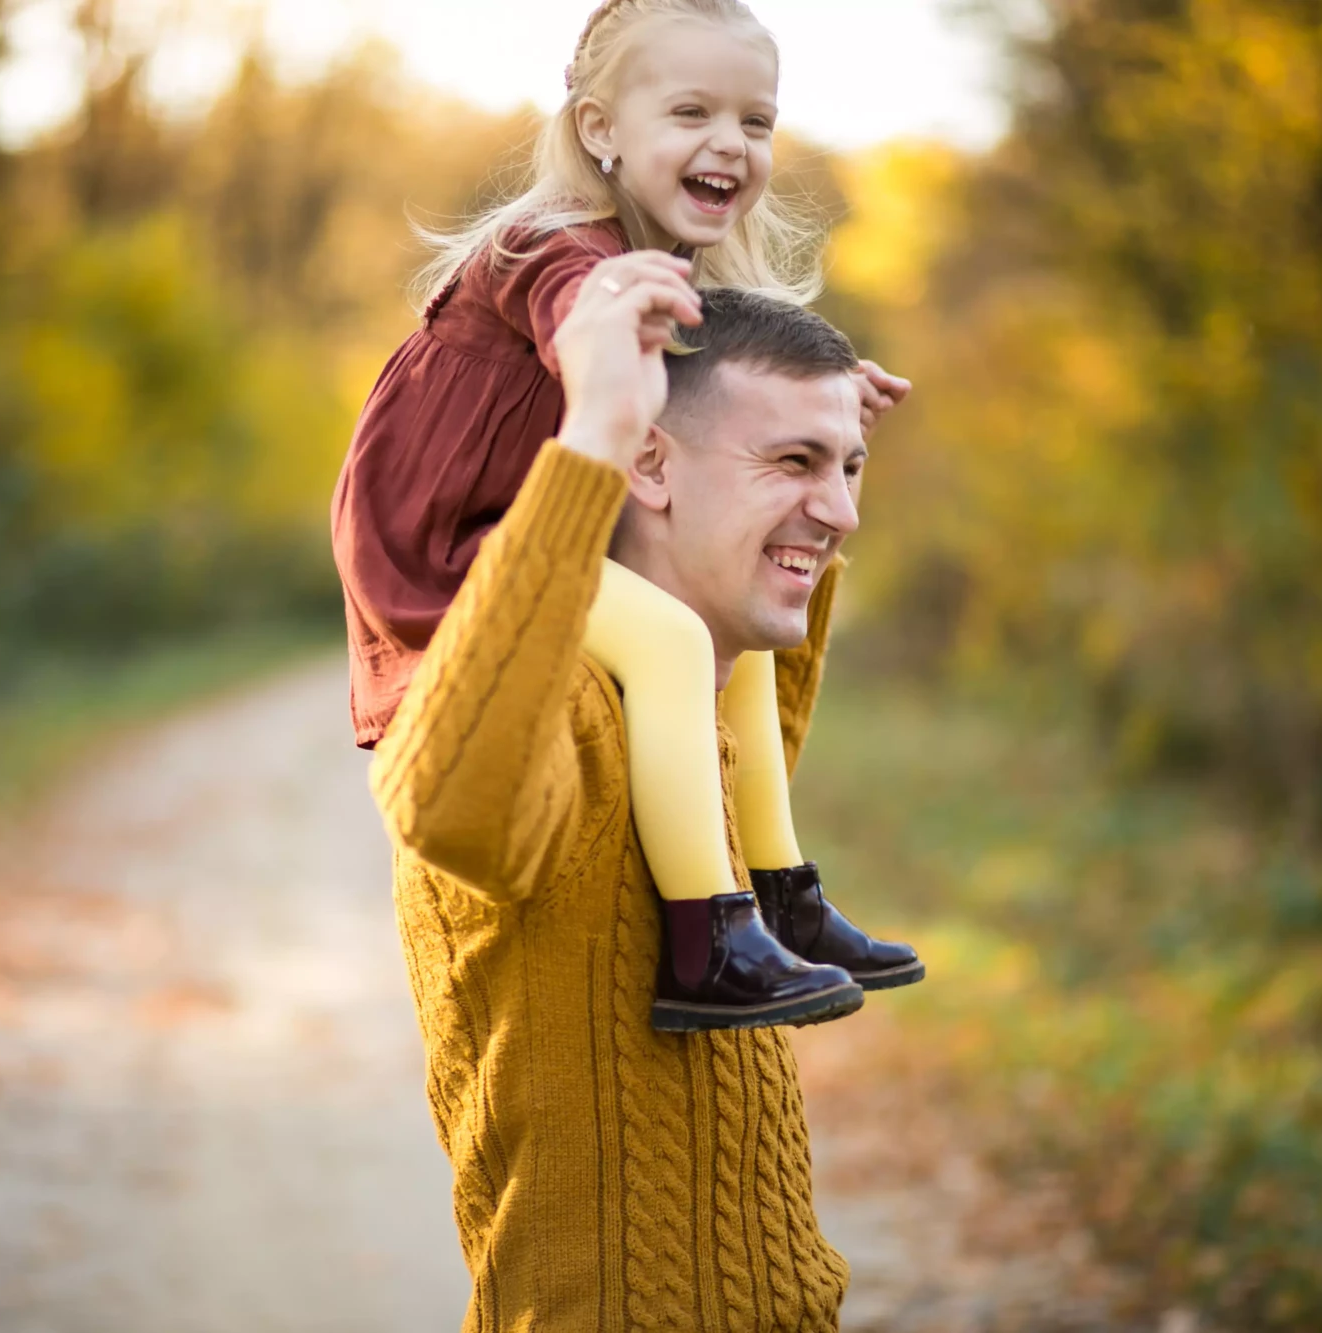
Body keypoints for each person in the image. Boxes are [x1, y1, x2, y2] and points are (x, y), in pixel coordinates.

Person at [333, 0, 922, 1031]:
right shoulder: (552, 248)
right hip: (447, 539)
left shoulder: (669, 267)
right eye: (691, 111)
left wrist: (818, 404)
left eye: (754, 121)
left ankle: (777, 890)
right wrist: (607, 363)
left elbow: (723, 392)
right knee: (667, 634)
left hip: (526, 520)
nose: (728, 145)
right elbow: (584, 322)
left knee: (725, 618)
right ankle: (704, 939)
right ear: (600, 128)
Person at [371, 268, 870, 1329]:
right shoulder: (564, 716)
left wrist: (791, 527)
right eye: (792, 460)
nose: (843, 511)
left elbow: (759, 729)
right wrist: (588, 437)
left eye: (849, 469)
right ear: (646, 462)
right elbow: (446, 803)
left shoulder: (679, 720)